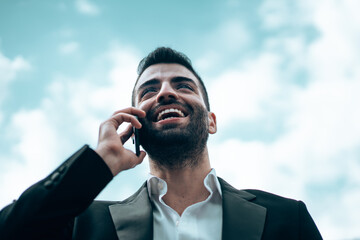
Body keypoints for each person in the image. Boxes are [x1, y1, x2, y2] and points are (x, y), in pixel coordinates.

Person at [0, 47, 322, 240]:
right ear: (134, 125)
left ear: (211, 121)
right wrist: (100, 161)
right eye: (149, 90)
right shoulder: (84, 225)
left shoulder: (287, 219)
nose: (166, 92)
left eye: (183, 85)